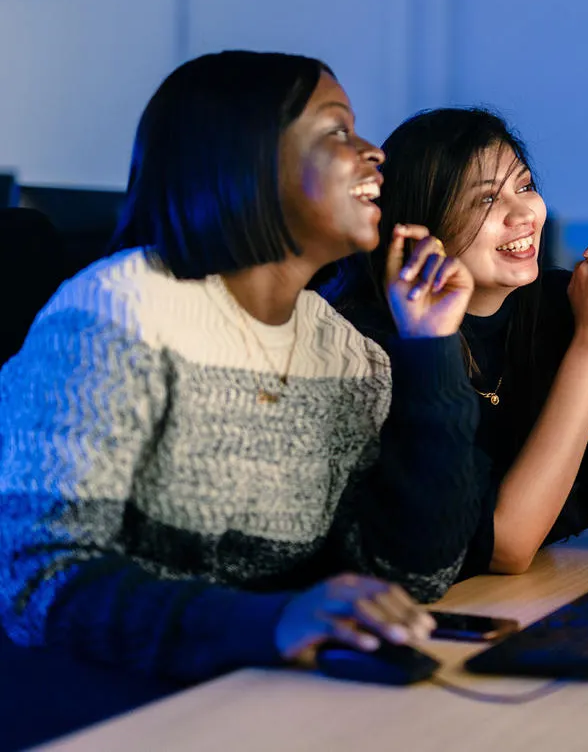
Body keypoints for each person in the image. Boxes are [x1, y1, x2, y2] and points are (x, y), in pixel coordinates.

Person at [0, 53, 488, 684]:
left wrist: (429, 349)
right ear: (250, 161)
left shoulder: (348, 355)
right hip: (91, 695)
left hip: (252, 684)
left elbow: (416, 575)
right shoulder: (121, 313)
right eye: (338, 131)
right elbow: (36, 578)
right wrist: (269, 623)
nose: (374, 152)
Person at [330, 107, 588, 577]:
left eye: (523, 186)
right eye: (484, 201)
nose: (523, 214)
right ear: (423, 224)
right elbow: (503, 546)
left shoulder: (566, 306)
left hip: (541, 606)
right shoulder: (379, 344)